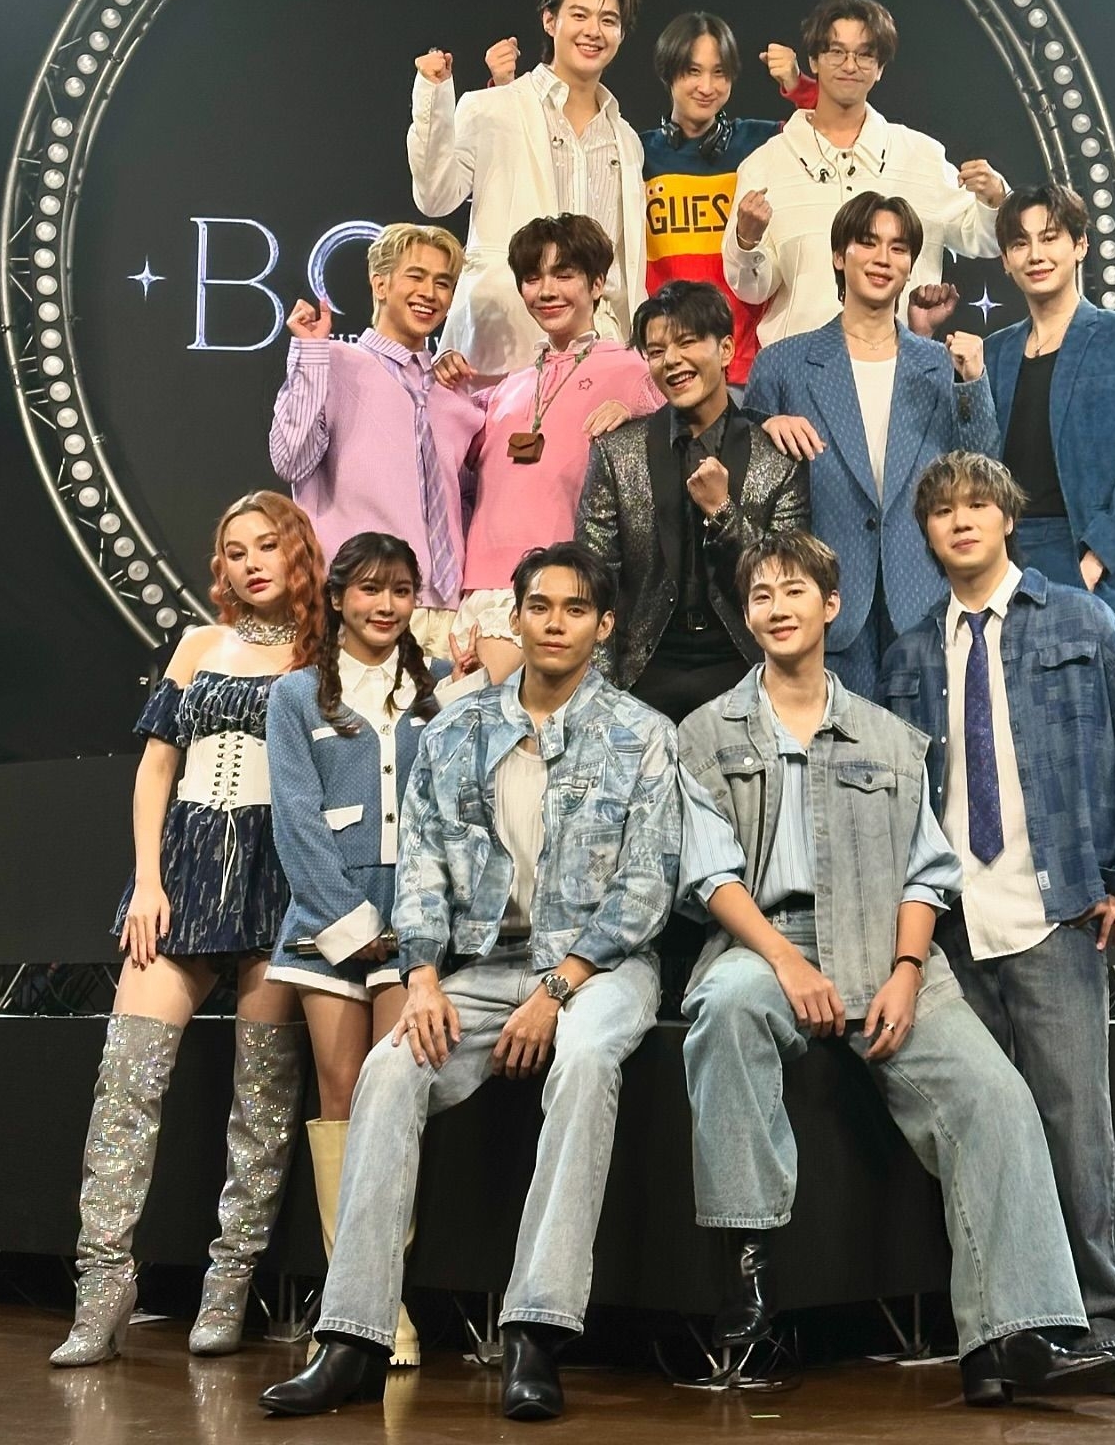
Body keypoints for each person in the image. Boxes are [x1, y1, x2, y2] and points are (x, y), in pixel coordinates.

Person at [676, 530, 1115, 1407]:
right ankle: (748, 1283)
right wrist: (786, 964)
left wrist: (909, 970)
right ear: (748, 615)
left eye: (794, 591)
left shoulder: (888, 737)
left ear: (831, 607)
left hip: (887, 948)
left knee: (995, 1096)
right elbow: (710, 874)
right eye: (761, 595)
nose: (778, 608)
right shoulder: (706, 733)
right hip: (765, 943)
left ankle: (1011, 1340)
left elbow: (925, 873)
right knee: (725, 1009)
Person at [257, 542, 680, 1422]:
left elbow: (645, 890)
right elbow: (421, 871)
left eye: (575, 609)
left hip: (599, 966)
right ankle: (353, 1336)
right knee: (389, 1069)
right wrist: (419, 976)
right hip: (485, 966)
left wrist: (557, 990)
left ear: (604, 626)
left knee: (586, 1060)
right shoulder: (455, 731)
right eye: (539, 607)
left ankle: (535, 1330)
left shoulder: (643, 734)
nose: (554, 624)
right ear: (514, 618)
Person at [881, 452, 1115, 1393]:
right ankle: (1012, 1338)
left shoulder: (1081, 621)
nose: (962, 520)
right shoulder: (910, 654)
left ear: (1009, 518)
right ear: (926, 534)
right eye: (943, 511)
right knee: (984, 1137)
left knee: (1075, 1130)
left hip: (1052, 912)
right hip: (954, 928)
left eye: (979, 504)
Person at [51, 492, 327, 1368]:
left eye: (267, 546)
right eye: (235, 551)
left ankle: (229, 1283)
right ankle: (103, 1285)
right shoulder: (198, 645)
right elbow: (155, 767)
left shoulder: (326, 652)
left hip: (282, 875)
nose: (251, 563)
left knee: (263, 1094)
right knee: (126, 1081)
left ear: (297, 553)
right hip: (184, 870)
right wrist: (146, 881)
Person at [265, 532, 444, 1370]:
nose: (385, 604)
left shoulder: (437, 692)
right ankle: (364, 1309)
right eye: (369, 588)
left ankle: (382, 1288)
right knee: (339, 1098)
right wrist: (350, 922)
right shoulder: (295, 694)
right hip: (326, 921)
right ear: (337, 597)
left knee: (392, 1099)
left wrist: (412, 924)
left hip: (413, 924)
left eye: (400, 590)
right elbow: (296, 821)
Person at [743, 192, 999, 700]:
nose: (884, 258)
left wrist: (973, 384)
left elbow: (981, 472)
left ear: (910, 266)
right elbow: (746, 486)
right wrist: (765, 426)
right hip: (823, 608)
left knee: (925, 749)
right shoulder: (783, 364)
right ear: (840, 256)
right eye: (868, 243)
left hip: (923, 602)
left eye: (898, 248)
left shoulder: (938, 364)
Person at [574, 280, 809, 723]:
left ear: (726, 349)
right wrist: (603, 700)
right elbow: (593, 582)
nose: (672, 360)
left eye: (686, 343)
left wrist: (723, 513)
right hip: (642, 676)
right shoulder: (616, 452)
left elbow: (787, 582)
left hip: (746, 671)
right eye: (656, 350)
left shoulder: (778, 457)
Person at [447, 214, 663, 685]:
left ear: (597, 283)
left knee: (476, 709)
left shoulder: (633, 370)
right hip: (477, 588)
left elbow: (683, 439)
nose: (546, 291)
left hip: (558, 590)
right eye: (532, 278)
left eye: (563, 275)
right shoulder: (511, 385)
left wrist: (638, 417)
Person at [721, 0, 1006, 348]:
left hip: (901, 363)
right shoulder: (766, 164)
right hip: (797, 366)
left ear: (880, 67)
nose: (850, 65)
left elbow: (983, 238)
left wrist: (994, 200)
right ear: (813, 61)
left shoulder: (921, 156)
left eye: (864, 55)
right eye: (836, 52)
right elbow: (752, 288)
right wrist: (746, 241)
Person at [408, 0, 646, 374]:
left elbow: (625, 268)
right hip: (502, 347)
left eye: (609, 20)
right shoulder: (491, 108)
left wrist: (634, 348)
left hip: (602, 353)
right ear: (550, 21)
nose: (594, 30)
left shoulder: (626, 139)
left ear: (621, 34)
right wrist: (433, 95)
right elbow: (435, 196)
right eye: (579, 15)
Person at [270, 221, 481, 658]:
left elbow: (466, 502)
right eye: (416, 276)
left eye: (443, 283)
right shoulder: (332, 361)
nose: (430, 293)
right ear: (380, 283)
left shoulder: (453, 394)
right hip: (358, 605)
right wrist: (312, 354)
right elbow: (290, 460)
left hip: (447, 614)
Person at [983, 182, 1115, 629]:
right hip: (1006, 567)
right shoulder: (993, 354)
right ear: (1006, 261)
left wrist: (1093, 562)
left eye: (1050, 237)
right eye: (1020, 243)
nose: (1036, 255)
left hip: (1096, 567)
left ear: (1080, 245)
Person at [637, 13, 815, 386]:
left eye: (719, 73)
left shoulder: (761, 144)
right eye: (693, 71)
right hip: (664, 366)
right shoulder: (636, 153)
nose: (707, 86)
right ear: (669, 73)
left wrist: (797, 85)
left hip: (743, 367)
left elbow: (834, 127)